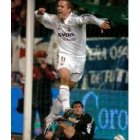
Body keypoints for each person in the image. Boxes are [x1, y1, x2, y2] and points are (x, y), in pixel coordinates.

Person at [35, 0, 110, 130]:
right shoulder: (54, 19)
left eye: (62, 6)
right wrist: (38, 13)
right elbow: (41, 18)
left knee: (66, 90)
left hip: (79, 60)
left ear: (69, 10)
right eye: (58, 6)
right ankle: (67, 109)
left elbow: (88, 17)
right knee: (63, 78)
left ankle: (51, 117)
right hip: (64, 56)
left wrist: (99, 22)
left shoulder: (76, 20)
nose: (58, 8)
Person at [32, 50, 58, 138]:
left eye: (43, 56)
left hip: (45, 99)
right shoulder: (33, 67)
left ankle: (47, 136)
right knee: (31, 120)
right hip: (33, 98)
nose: (41, 59)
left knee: (46, 119)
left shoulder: (50, 67)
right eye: (39, 57)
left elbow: (54, 77)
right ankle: (30, 136)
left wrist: (45, 69)